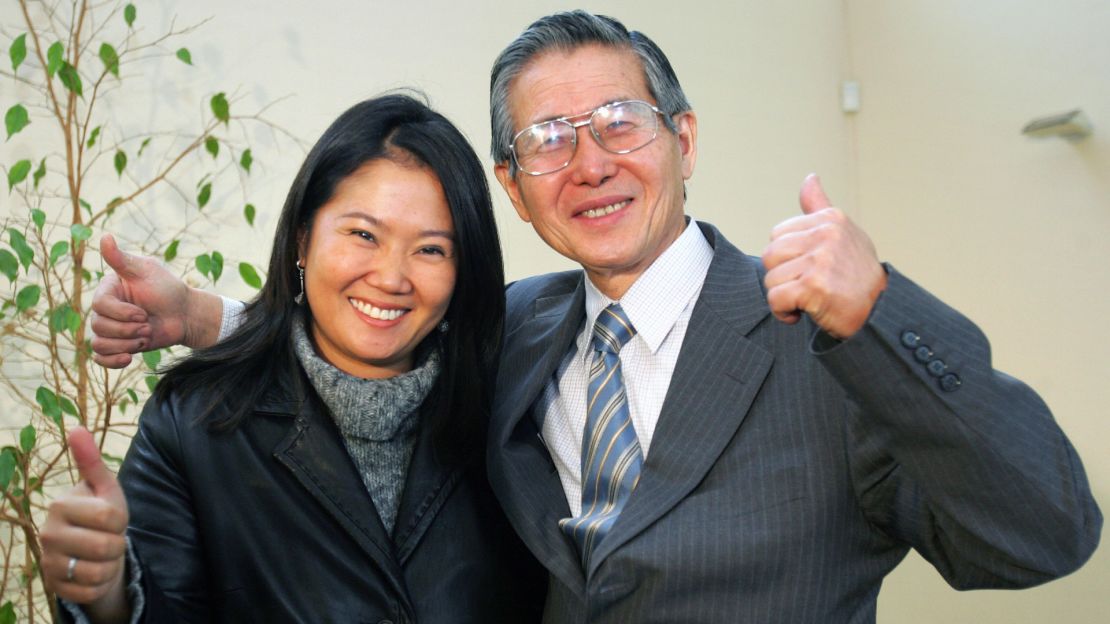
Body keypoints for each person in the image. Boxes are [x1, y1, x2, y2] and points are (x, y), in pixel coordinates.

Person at [86, 11, 1101, 623]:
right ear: (515, 190)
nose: (591, 161)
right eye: (549, 139)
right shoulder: (516, 329)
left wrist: (877, 315)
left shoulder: (828, 339)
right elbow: (381, 315)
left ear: (684, 138)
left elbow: (1044, 537)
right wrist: (207, 314)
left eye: (620, 122)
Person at [41, 94, 544, 623]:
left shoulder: (511, 415)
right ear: (303, 239)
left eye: (431, 250)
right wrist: (109, 595)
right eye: (364, 235)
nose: (392, 278)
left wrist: (197, 312)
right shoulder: (194, 423)